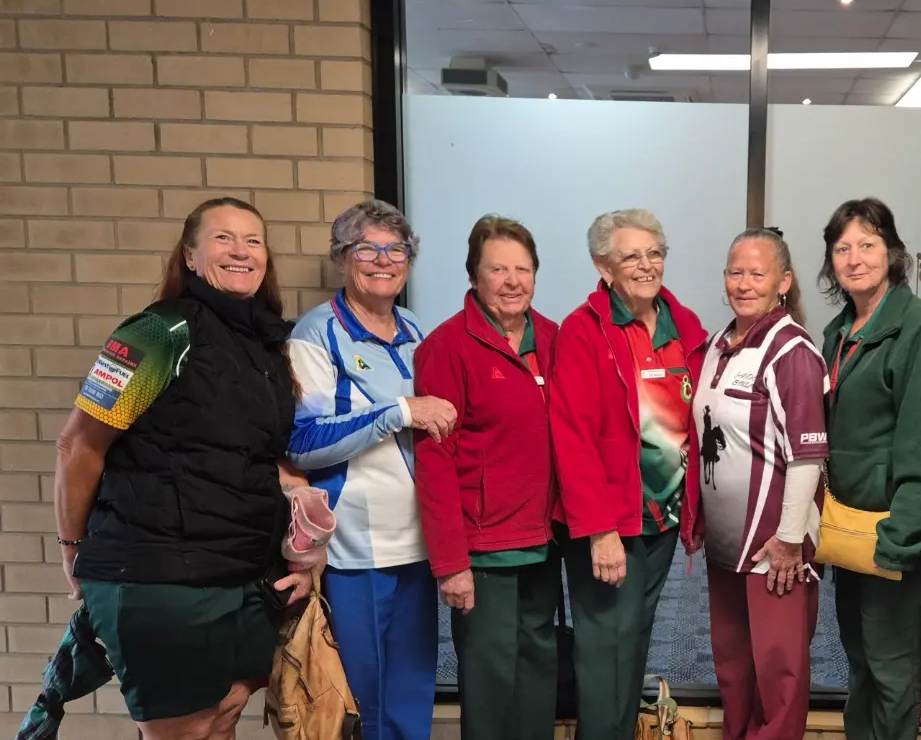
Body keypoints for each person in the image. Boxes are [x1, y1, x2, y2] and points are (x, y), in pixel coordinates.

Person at [53, 197, 315, 740]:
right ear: (191, 257)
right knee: (184, 732)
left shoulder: (265, 347)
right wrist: (72, 547)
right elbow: (78, 445)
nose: (240, 251)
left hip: (240, 574)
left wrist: (304, 537)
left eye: (253, 240)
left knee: (221, 718)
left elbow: (262, 460)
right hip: (160, 577)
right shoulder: (157, 332)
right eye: (223, 238)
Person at [286, 199, 454, 740]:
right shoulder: (316, 334)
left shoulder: (414, 328)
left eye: (396, 249)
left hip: (419, 543)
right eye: (367, 249)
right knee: (363, 706)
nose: (384, 260)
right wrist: (401, 412)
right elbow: (305, 442)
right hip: (357, 551)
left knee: (412, 697)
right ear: (342, 259)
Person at [550, 209, 708, 740]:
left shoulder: (682, 324)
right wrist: (599, 530)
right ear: (603, 265)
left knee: (634, 642)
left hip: (660, 518)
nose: (646, 265)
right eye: (630, 256)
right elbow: (571, 435)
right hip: (610, 522)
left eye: (654, 253)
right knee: (604, 653)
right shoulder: (583, 330)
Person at [817, 199, 921, 740]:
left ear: (892, 252)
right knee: (859, 661)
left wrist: (901, 539)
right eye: (842, 248)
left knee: (891, 670)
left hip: (897, 534)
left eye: (867, 244)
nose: (854, 258)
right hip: (853, 532)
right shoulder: (841, 331)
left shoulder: (918, 330)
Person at [414, 215, 562, 740]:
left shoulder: (552, 337)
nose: (512, 280)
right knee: (491, 675)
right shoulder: (448, 347)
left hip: (543, 541)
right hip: (482, 549)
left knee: (540, 663)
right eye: (497, 268)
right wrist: (451, 563)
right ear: (474, 276)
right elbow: (434, 463)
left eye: (523, 269)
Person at [689, 228, 829, 740]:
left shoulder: (791, 350)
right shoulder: (717, 345)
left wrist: (791, 540)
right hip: (727, 547)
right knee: (733, 666)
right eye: (734, 271)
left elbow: (808, 455)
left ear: (783, 282)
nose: (743, 283)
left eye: (757, 273)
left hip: (775, 546)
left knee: (779, 672)